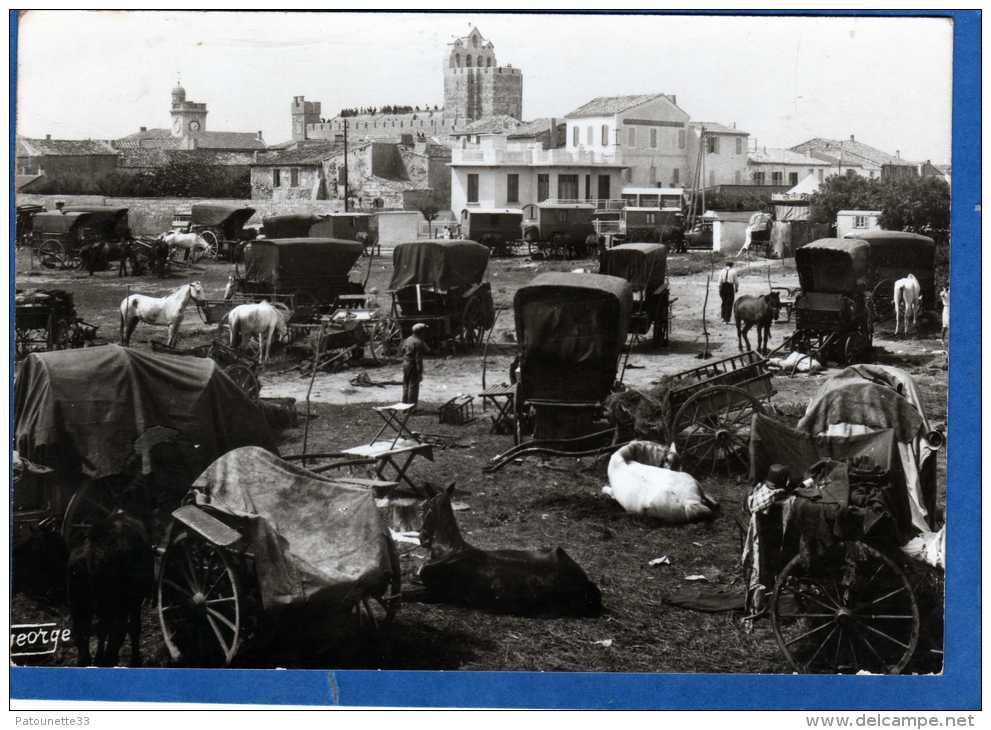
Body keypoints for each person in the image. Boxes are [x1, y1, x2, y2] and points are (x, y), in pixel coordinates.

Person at [401, 323, 431, 406]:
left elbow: (402, 350)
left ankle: (404, 405)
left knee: (406, 385)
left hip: (405, 363)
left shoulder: (407, 339)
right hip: (413, 365)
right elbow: (418, 359)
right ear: (421, 332)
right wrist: (420, 372)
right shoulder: (419, 342)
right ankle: (411, 408)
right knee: (413, 386)